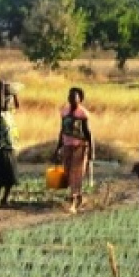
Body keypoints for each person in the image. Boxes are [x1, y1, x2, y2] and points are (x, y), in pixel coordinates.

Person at [51, 86, 95, 214]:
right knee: (68, 172)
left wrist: (92, 150)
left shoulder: (82, 114)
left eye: (74, 96)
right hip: (67, 146)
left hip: (79, 147)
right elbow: (62, 131)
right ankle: (78, 196)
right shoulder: (64, 112)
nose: (71, 98)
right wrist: (57, 148)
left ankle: (73, 201)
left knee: (76, 173)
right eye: (70, 96)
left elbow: (88, 133)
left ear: (80, 99)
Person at [0, 80, 20, 207]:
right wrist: (2, 89)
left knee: (11, 175)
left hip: (10, 146)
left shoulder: (9, 113)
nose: (9, 103)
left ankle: (4, 199)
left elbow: (17, 106)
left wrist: (15, 93)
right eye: (8, 101)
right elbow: (2, 106)